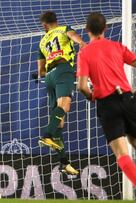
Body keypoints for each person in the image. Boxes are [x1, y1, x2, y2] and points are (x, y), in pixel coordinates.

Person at [77, 12, 136, 187]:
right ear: (106, 28)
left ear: (87, 29)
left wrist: (92, 96)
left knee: (122, 153)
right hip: (127, 99)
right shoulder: (117, 47)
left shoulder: (84, 53)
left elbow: (82, 86)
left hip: (107, 104)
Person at [37, 11, 86, 175]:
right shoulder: (64, 28)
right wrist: (81, 43)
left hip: (49, 78)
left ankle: (64, 162)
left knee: (59, 122)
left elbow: (41, 71)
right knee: (64, 106)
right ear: (55, 21)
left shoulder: (42, 41)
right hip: (63, 69)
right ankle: (46, 135)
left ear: (44, 25)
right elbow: (73, 36)